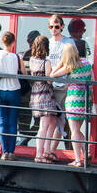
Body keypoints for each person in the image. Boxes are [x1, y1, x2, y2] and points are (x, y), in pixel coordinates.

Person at [49, 42, 92, 169]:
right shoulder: (86, 63)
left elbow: (52, 74)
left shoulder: (70, 66)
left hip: (73, 100)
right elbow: (92, 79)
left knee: (74, 132)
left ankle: (78, 160)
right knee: (78, 130)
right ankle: (86, 152)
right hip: (85, 99)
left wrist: (62, 62)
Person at [0, 31, 23, 160]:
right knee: (13, 122)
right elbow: (23, 72)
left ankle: (4, 152)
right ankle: (11, 152)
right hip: (14, 91)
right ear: (13, 43)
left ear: (2, 42)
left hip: (2, 91)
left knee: (2, 122)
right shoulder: (17, 57)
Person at [27, 35, 62, 164]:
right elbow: (48, 79)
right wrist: (56, 71)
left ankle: (46, 151)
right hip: (46, 93)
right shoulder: (46, 62)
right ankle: (39, 154)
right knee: (44, 125)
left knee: (52, 121)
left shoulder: (31, 60)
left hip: (36, 93)